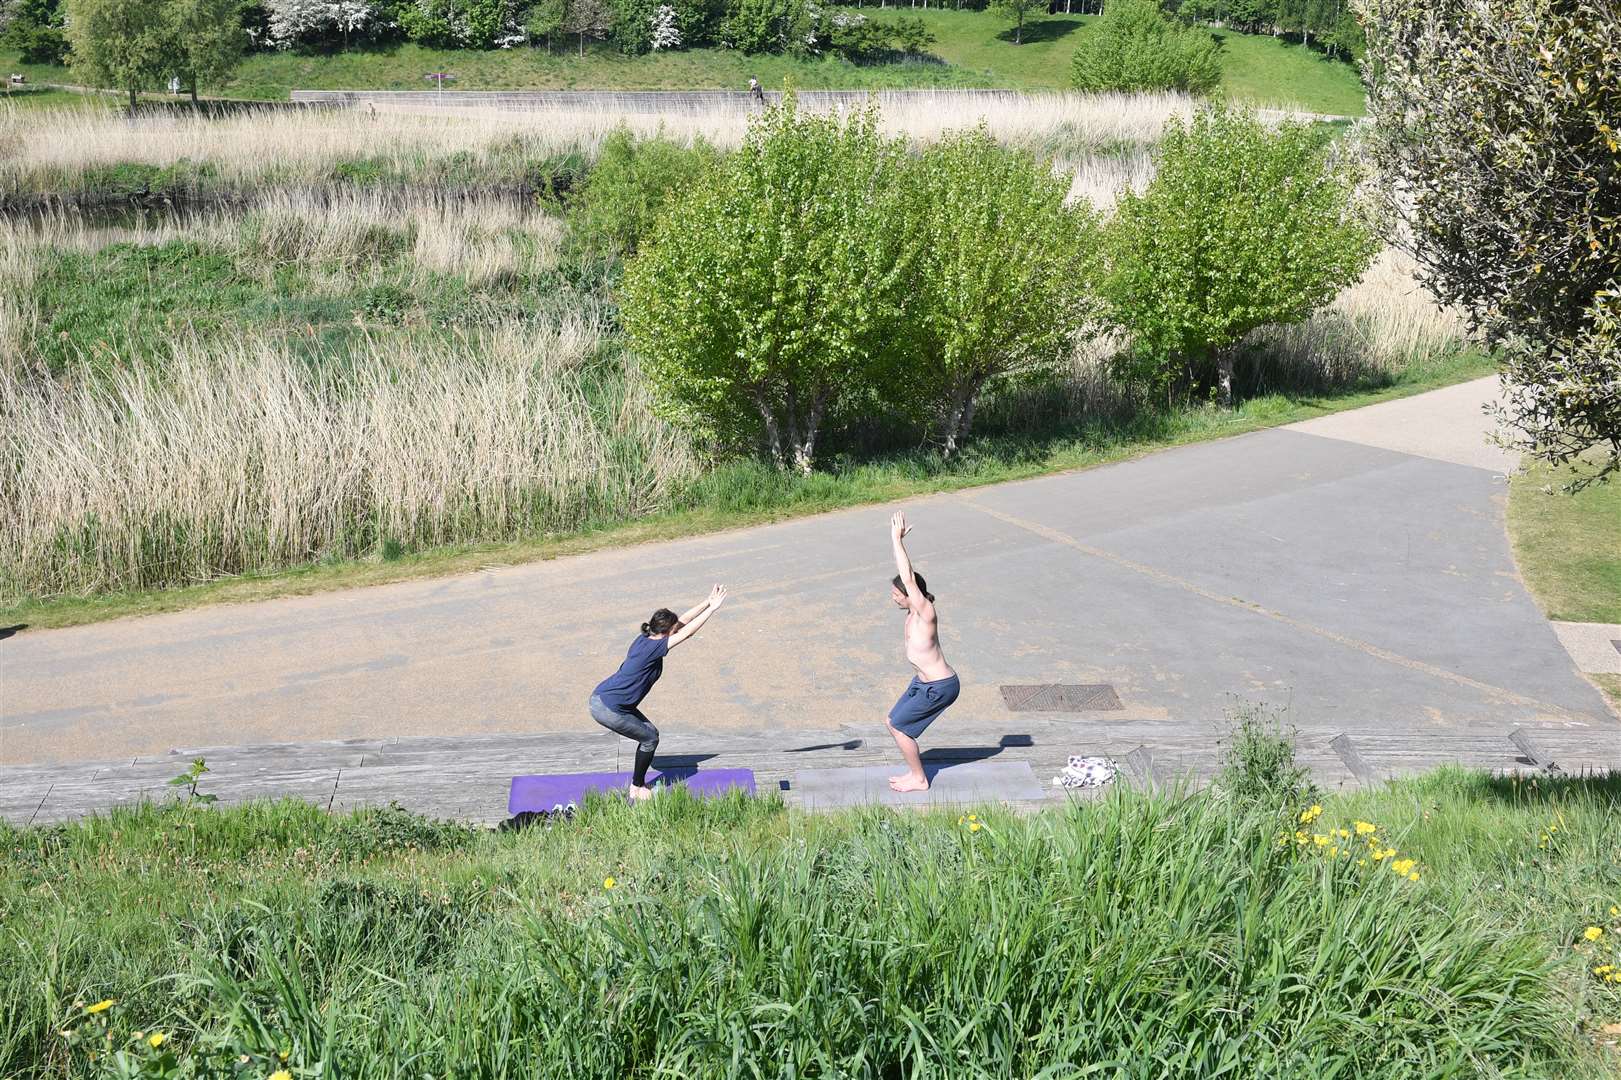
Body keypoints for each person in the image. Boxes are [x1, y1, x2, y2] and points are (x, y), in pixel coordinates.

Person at [589, 585, 728, 800]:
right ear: (666, 632)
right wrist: (713, 610)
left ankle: (638, 783)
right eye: (673, 629)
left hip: (605, 697)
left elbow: (682, 622)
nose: (677, 629)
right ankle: (636, 788)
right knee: (650, 739)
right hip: (608, 707)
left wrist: (707, 602)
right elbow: (688, 631)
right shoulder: (653, 649)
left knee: (651, 733)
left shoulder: (646, 638)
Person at [884, 511, 958, 792]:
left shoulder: (924, 611)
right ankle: (914, 773)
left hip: (940, 686)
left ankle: (919, 779)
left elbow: (908, 578)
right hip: (922, 684)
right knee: (891, 721)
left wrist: (896, 540)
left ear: (911, 595)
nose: (893, 596)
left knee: (901, 728)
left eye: (897, 593)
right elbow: (906, 583)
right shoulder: (911, 614)